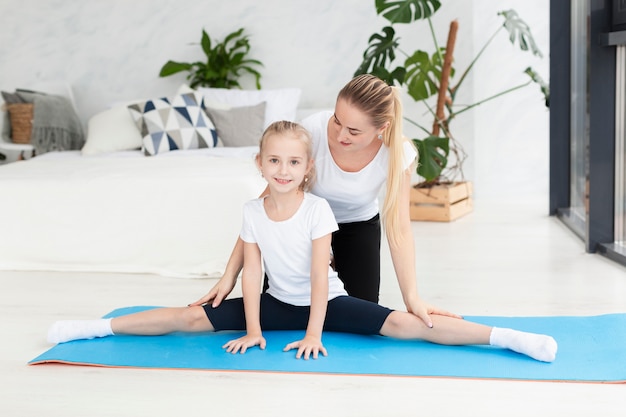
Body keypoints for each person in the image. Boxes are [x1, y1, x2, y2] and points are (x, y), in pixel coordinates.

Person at [47, 121, 558, 363]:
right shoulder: (252, 210)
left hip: (324, 304)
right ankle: (92, 327)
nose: (283, 170)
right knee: (185, 316)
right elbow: (252, 275)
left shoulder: (319, 209)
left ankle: (505, 337)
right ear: (260, 165)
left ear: (307, 168)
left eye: (293, 162)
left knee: (406, 325)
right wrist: (251, 327)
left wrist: (315, 334)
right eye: (274, 162)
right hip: (273, 304)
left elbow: (319, 279)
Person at [193, 74, 454, 328]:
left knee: (356, 318)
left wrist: (412, 297)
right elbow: (264, 206)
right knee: (277, 309)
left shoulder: (397, 153)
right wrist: (230, 275)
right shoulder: (314, 130)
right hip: (302, 224)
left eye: (353, 130)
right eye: (337, 120)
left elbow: (400, 229)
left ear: (381, 128)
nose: (340, 134)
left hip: (357, 226)